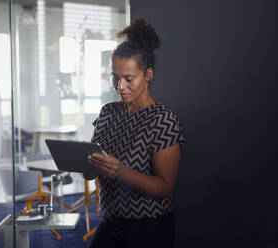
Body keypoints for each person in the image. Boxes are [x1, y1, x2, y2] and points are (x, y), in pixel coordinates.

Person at [84, 18, 185, 248]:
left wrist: (119, 170)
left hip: (149, 227)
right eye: (115, 77)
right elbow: (90, 175)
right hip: (111, 221)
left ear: (148, 74)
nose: (120, 86)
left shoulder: (163, 119)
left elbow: (164, 187)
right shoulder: (107, 112)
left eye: (128, 78)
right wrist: (86, 161)